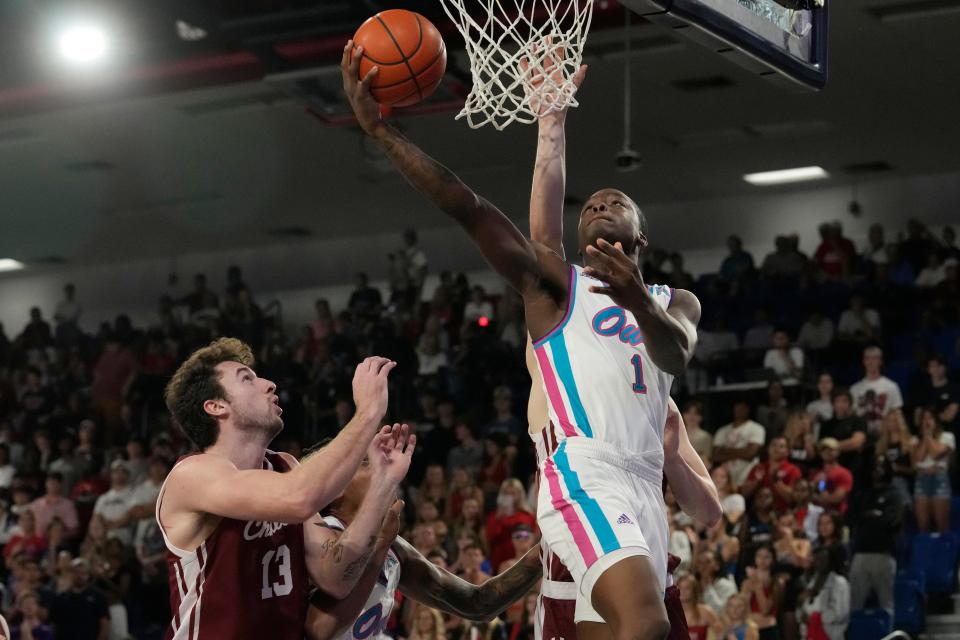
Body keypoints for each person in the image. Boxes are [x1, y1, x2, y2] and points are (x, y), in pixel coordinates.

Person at [343, 44, 701, 640]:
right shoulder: (555, 288)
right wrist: (382, 133)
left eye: (617, 201)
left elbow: (676, 354)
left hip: (644, 485)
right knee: (646, 625)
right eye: (589, 204)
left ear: (643, 233)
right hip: (583, 473)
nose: (601, 204)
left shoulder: (674, 301)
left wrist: (637, 298)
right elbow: (468, 205)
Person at [156, 338, 399, 639]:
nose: (269, 384)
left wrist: (383, 483)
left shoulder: (284, 466)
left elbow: (334, 577)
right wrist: (367, 414)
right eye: (247, 379)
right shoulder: (192, 475)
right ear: (216, 406)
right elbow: (299, 498)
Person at [303, 455, 543, 640]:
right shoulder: (312, 541)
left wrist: (548, 548)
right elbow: (317, 632)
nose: (382, 465)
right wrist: (379, 547)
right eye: (366, 462)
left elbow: (478, 603)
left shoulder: (395, 549)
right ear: (336, 489)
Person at [848, 457, 902, 619]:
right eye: (875, 466)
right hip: (861, 553)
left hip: (884, 554)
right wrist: (874, 516)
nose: (878, 470)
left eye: (881, 466)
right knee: (854, 605)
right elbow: (852, 518)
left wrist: (869, 517)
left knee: (887, 605)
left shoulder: (894, 494)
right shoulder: (862, 494)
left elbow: (891, 521)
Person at [911, 407, 955, 532]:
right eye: (924, 418)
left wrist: (928, 436)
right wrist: (925, 437)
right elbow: (917, 460)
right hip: (921, 480)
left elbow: (936, 454)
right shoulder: (915, 439)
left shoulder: (948, 437)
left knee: (942, 525)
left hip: (940, 480)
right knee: (923, 526)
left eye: (930, 418)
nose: (927, 421)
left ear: (936, 420)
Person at [849, 347, 904, 436]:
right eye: (868, 358)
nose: (871, 362)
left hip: (885, 436)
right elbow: (852, 414)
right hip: (861, 436)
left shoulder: (891, 386)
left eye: (874, 358)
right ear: (864, 361)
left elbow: (897, 413)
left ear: (880, 361)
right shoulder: (855, 389)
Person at [798, 546, 849, 640]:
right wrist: (802, 615)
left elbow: (841, 614)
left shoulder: (840, 582)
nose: (820, 562)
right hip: (809, 634)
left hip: (830, 634)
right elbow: (803, 609)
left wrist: (815, 619)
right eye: (817, 559)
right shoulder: (811, 582)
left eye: (824, 559)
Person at [741, 437, 802, 513]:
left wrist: (777, 481)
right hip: (756, 513)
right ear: (768, 448)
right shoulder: (758, 467)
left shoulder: (793, 470)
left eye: (781, 446)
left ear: (787, 451)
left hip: (782, 513)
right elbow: (743, 494)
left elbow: (793, 498)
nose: (776, 448)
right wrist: (756, 482)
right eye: (774, 445)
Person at [713, 402, 766, 486]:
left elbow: (750, 453)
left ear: (748, 410)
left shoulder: (757, 428)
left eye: (742, 408)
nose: (739, 411)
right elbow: (716, 456)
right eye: (737, 408)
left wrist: (725, 451)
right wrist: (743, 451)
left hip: (746, 476)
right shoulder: (722, 431)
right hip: (724, 479)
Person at [817, 390, 867, 477]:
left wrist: (832, 447)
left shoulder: (858, 421)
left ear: (850, 403)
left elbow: (856, 442)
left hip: (852, 467)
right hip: (830, 469)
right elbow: (820, 446)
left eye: (844, 401)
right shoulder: (826, 425)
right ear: (833, 404)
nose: (841, 404)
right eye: (837, 401)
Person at [809, 439, 854, 515]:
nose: (827, 452)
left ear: (838, 452)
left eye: (831, 449)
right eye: (824, 449)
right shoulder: (815, 473)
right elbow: (805, 495)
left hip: (834, 515)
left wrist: (821, 484)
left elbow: (834, 500)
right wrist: (814, 484)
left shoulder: (844, 473)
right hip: (815, 514)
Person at [676, 574, 719, 640]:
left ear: (694, 590)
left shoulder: (705, 611)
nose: (682, 591)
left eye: (687, 588)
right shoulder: (672, 612)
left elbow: (721, 632)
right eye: (680, 588)